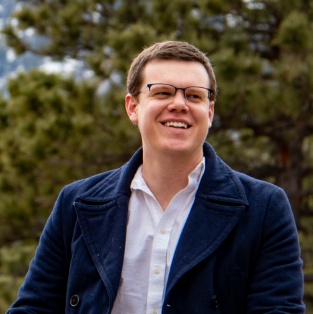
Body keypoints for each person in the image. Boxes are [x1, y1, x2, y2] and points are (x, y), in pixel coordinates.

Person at [7, 41, 305, 314]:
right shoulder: (76, 203)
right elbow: (34, 308)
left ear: (210, 112)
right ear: (132, 107)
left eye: (194, 95)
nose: (179, 104)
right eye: (162, 92)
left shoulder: (264, 208)